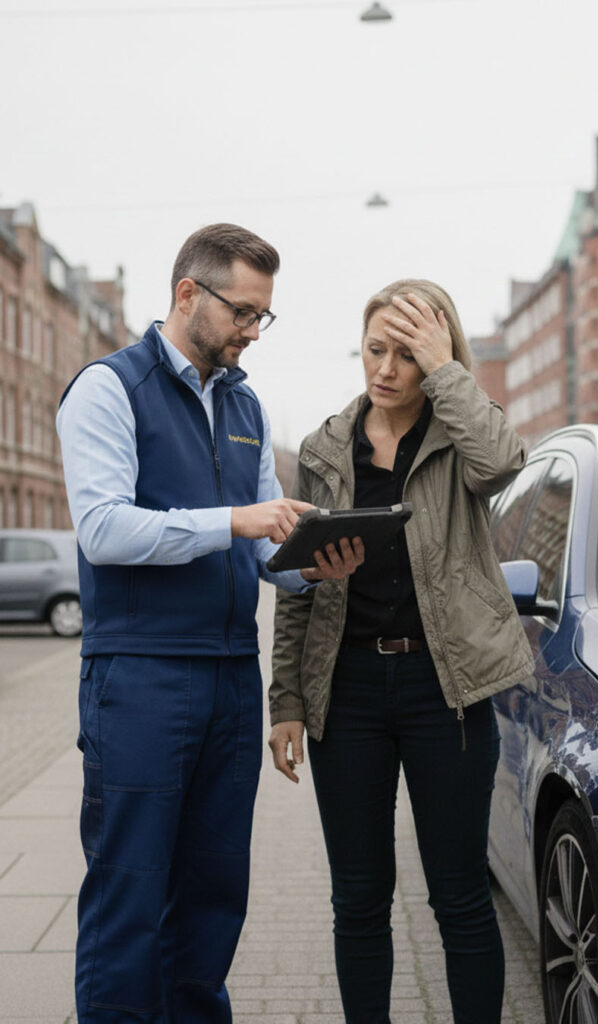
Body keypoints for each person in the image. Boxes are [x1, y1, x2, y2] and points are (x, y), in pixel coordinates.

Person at [56, 223, 363, 1024]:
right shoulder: (107, 388)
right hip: (141, 675)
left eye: (265, 316)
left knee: (214, 894)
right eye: (243, 311)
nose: (253, 330)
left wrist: (309, 564)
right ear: (187, 293)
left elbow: (267, 550)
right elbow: (104, 529)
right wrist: (235, 520)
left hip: (230, 675)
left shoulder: (244, 401)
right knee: (130, 891)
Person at [268, 279, 535, 1024]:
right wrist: (286, 701)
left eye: (406, 354)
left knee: (457, 894)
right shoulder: (325, 447)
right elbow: (295, 586)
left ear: (437, 358)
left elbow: (505, 464)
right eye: (374, 348)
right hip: (345, 691)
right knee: (356, 897)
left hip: (442, 688)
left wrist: (447, 370)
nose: (384, 368)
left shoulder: (458, 440)